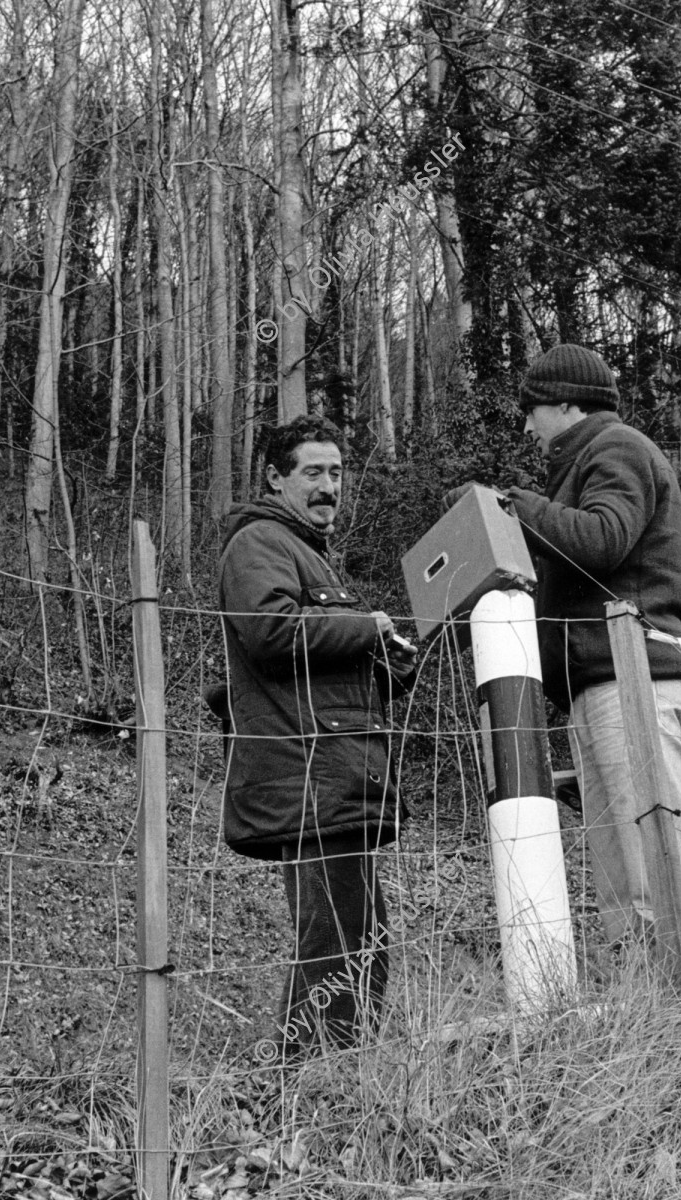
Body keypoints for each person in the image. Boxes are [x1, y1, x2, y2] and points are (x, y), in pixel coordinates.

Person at [450, 344, 681, 1000]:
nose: (528, 428)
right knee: (623, 872)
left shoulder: (617, 450)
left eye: (532, 411)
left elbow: (604, 539)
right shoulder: (590, 461)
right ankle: (655, 1012)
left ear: (566, 404)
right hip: (598, 683)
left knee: (665, 851)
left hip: (631, 679)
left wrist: (516, 507)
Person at [216, 415, 414, 1061]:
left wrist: (390, 657)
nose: (329, 487)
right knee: (338, 939)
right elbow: (270, 633)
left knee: (359, 936)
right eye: (313, 473)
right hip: (308, 774)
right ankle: (307, 1081)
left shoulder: (306, 552)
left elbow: (322, 670)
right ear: (275, 477)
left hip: (335, 774)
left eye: (336, 473)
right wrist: (366, 626)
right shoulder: (260, 542)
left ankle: (327, 1072)